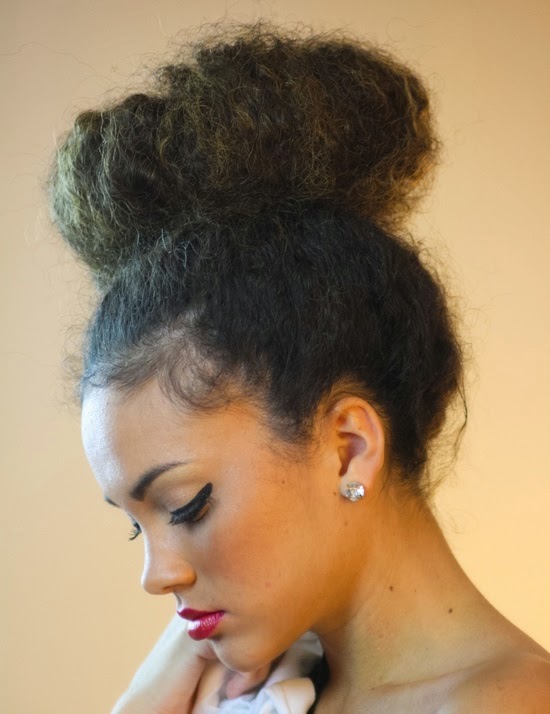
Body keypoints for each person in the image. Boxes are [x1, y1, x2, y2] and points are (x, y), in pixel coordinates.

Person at [47, 21, 550, 714]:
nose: (157, 576)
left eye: (186, 505)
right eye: (139, 525)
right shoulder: (247, 698)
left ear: (348, 448)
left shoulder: (504, 703)